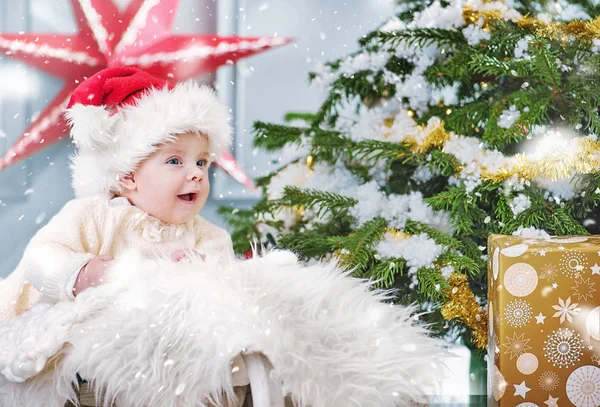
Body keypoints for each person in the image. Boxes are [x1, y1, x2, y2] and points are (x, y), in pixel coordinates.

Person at [0, 66, 250, 406]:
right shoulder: (95, 216)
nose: (196, 174)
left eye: (203, 163)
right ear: (128, 174)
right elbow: (40, 257)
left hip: (163, 362)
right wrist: (80, 274)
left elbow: (226, 297)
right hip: (85, 367)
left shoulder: (208, 237)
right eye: (176, 161)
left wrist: (201, 275)